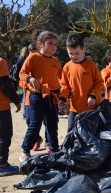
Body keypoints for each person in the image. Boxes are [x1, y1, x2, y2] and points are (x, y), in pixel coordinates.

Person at [19, 31, 62, 162]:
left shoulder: (55, 61)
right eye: (50, 43)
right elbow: (22, 73)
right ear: (40, 44)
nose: (53, 47)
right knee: (35, 124)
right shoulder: (33, 57)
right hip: (37, 96)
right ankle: (25, 151)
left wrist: (64, 93)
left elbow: (62, 78)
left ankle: (55, 150)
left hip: (52, 96)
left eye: (55, 44)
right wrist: (31, 79)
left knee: (52, 124)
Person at [59, 34, 104, 132]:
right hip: (74, 108)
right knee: (71, 131)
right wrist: (62, 98)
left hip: (91, 108)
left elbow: (99, 82)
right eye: (70, 53)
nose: (73, 56)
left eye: (77, 53)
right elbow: (64, 85)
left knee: (91, 133)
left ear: (84, 50)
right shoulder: (67, 67)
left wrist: (93, 95)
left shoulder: (91, 66)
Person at [0, 57, 21, 175]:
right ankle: (2, 165)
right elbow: (5, 85)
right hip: (1, 107)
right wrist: (16, 100)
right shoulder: (1, 62)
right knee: (4, 134)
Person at [20, 43, 38, 120]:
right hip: (28, 88)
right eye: (31, 53)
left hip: (38, 91)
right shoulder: (26, 61)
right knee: (28, 120)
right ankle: (24, 113)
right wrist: (28, 82)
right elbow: (21, 74)